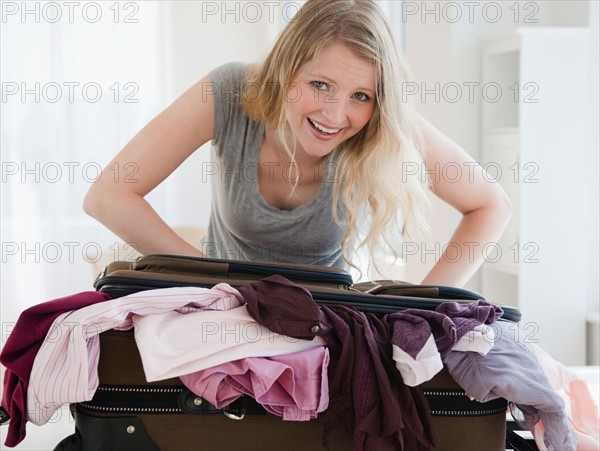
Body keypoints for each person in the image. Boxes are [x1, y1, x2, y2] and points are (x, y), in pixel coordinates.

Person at [83, 0, 511, 288]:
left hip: (323, 327)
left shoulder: (383, 122)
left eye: (360, 95)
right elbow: (108, 195)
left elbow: (491, 204)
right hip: (220, 315)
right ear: (286, 70)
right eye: (320, 84)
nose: (335, 114)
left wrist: (425, 306)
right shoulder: (231, 90)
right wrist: (215, 279)